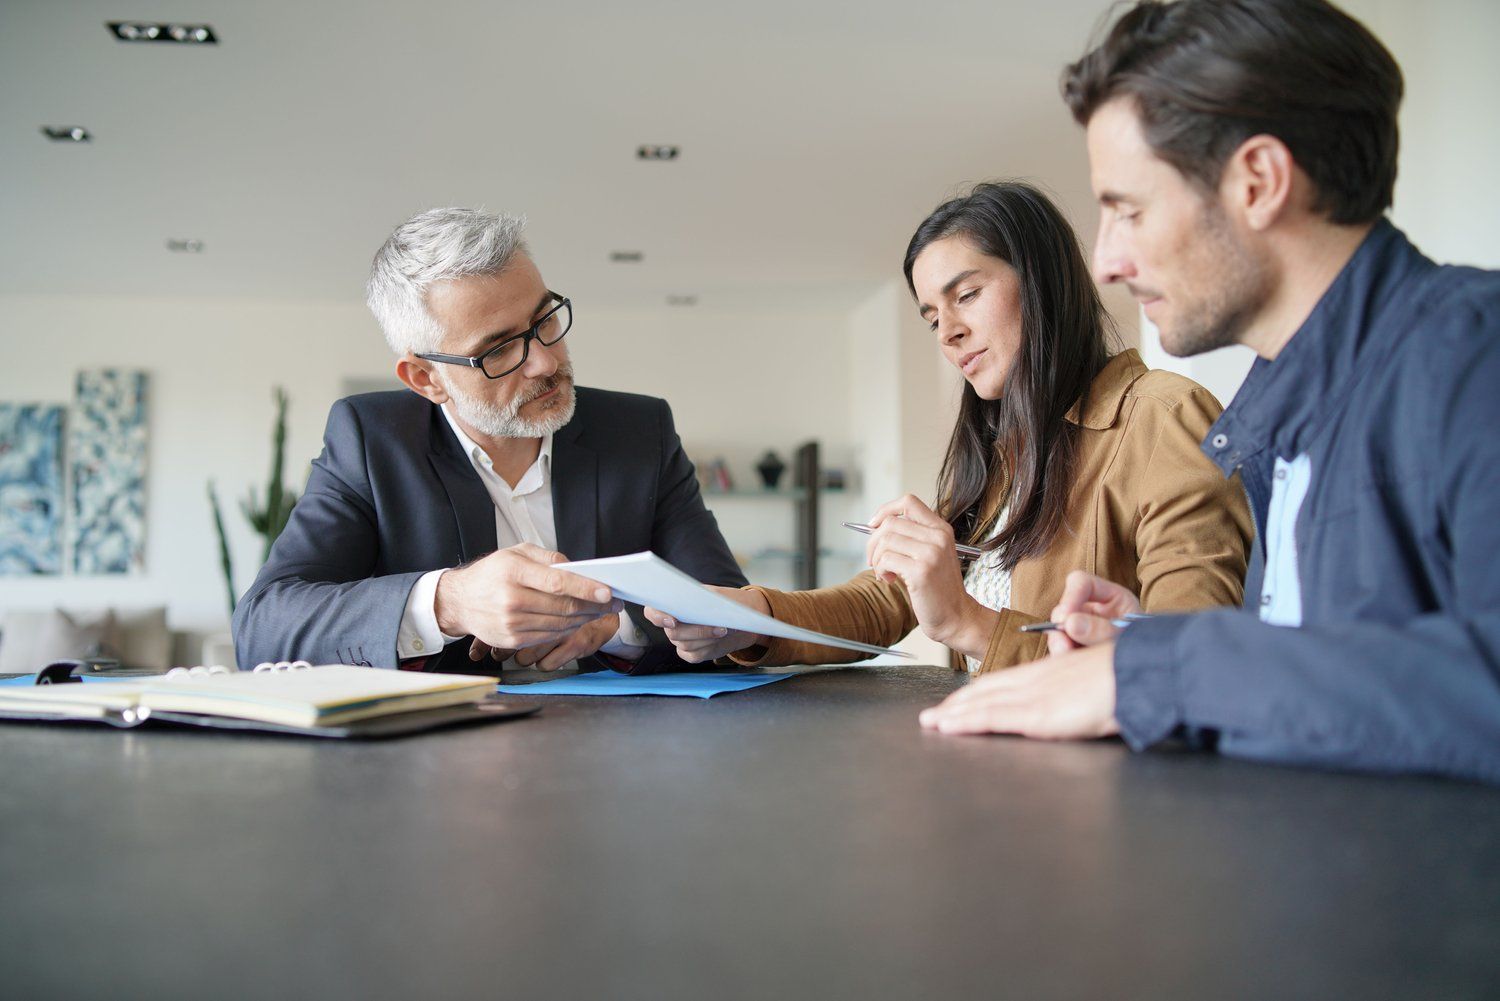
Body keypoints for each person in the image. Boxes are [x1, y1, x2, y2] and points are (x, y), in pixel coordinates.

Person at [918, 0, 1500, 784]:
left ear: (1258, 181)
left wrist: (1169, 668)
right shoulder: (1285, 420)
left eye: (1128, 208)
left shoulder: (1473, 352)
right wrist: (1145, 644)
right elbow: (1331, 685)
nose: (1105, 263)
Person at [647, 181, 1252, 675]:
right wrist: (747, 615)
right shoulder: (1005, 449)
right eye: (932, 316)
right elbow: (887, 602)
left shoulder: (1164, 416)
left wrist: (966, 623)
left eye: (966, 295)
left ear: (1043, 283)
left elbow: (1192, 661)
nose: (947, 333)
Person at [233, 208, 745, 674]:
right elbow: (264, 627)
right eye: (497, 351)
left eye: (545, 320)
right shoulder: (372, 441)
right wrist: (449, 602)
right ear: (425, 379)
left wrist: (616, 629)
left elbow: (731, 610)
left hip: (618, 750)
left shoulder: (639, 431)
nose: (546, 362)